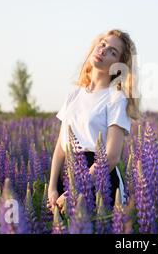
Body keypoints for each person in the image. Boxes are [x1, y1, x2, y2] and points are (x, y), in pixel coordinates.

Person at [47, 29, 141, 214]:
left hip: (98, 179)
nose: (104, 50)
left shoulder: (116, 98)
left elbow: (111, 157)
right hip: (67, 176)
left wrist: (76, 190)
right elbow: (61, 147)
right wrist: (52, 187)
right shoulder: (74, 94)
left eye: (113, 51)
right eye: (103, 43)